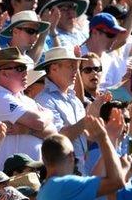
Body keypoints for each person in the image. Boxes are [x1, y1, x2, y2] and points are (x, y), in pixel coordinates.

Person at [0, 48, 56, 171]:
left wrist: (27, 130)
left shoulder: (26, 100)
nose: (26, 73)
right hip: (7, 178)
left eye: (25, 69)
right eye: (20, 69)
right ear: (3, 73)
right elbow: (40, 122)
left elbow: (53, 133)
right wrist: (46, 117)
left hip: (32, 175)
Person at [37, 116, 125, 199]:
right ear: (71, 156)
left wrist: (110, 138)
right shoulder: (65, 184)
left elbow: (92, 181)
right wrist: (103, 138)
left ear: (44, 160)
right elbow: (115, 182)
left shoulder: (45, 189)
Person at [33, 46, 90, 175]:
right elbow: (58, 139)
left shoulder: (74, 99)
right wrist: (90, 118)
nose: (76, 71)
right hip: (62, 172)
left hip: (80, 170)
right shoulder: (44, 100)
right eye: (71, 66)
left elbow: (85, 136)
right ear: (53, 68)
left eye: (76, 66)